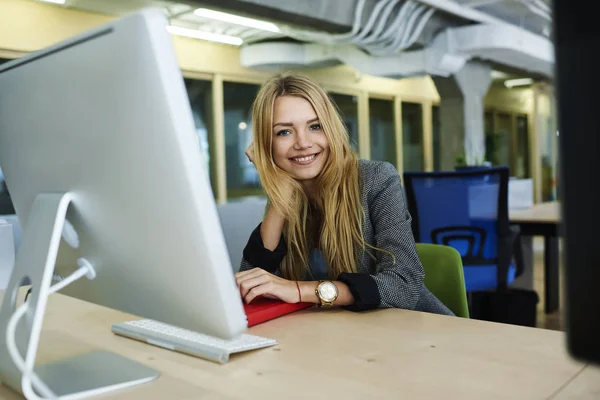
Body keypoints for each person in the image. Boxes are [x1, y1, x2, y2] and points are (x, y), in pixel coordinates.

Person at [235, 73, 453, 315]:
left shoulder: (376, 179)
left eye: (315, 126)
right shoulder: (288, 197)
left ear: (331, 130)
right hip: (341, 338)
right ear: (266, 144)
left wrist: (300, 290)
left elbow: (404, 285)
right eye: (284, 132)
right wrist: (278, 195)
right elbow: (252, 287)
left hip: (417, 332)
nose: (303, 143)